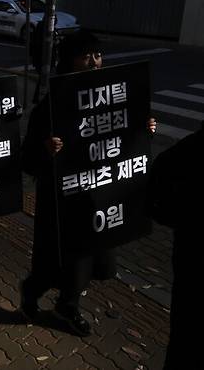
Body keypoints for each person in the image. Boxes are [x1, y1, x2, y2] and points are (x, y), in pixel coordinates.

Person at [19, 30, 157, 336]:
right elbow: (26, 157)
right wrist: (46, 149)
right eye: (86, 56)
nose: (94, 62)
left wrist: (143, 129)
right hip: (64, 202)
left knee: (91, 260)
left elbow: (122, 137)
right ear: (70, 60)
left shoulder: (114, 96)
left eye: (97, 55)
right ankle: (33, 293)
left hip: (100, 196)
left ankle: (67, 305)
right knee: (57, 261)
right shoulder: (53, 104)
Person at [146, 121, 203, 370]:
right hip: (192, 260)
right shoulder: (189, 150)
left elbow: (154, 195)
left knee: (184, 341)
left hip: (191, 258)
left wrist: (176, 218)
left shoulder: (190, 149)